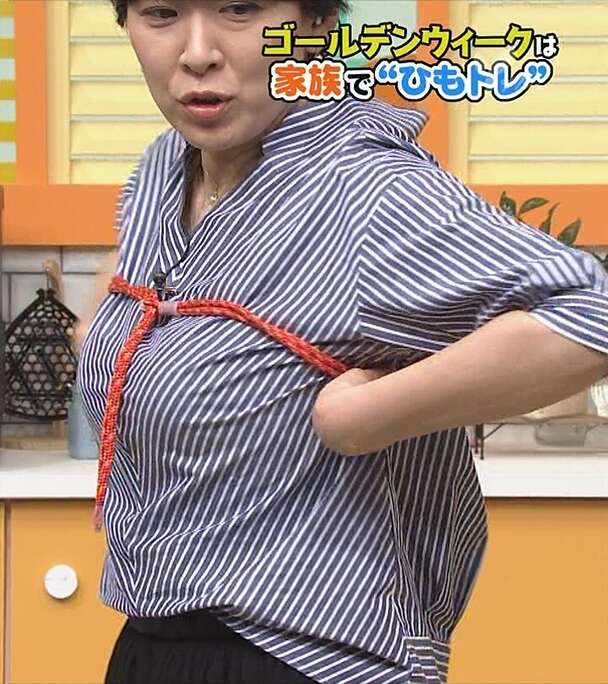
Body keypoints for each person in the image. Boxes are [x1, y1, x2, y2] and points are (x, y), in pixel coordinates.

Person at [76, 1, 608, 683]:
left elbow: (591, 313)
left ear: (317, 26)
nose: (197, 51)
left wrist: (362, 416)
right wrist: (110, 327)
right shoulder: (169, 167)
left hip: (306, 659)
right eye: (161, 13)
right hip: (154, 641)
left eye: (240, 9)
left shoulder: (362, 186)